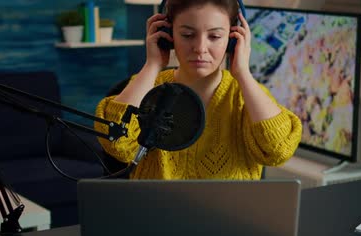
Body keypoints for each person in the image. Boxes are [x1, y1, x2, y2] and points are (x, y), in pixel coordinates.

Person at [95, 0, 301, 180]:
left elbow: (279, 151)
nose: (200, 48)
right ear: (167, 34)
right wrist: (152, 65)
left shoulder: (245, 95)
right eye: (187, 34)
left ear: (232, 39)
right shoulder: (149, 87)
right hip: (157, 217)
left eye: (214, 36)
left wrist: (243, 73)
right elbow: (117, 146)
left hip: (231, 222)